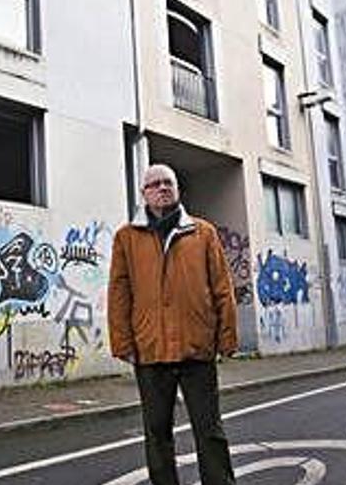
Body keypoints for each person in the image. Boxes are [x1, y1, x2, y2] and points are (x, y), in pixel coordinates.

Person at [108, 164, 238, 485]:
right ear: (144, 194)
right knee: (157, 434)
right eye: (154, 184)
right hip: (150, 351)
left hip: (198, 350)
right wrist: (123, 345)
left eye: (168, 183)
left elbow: (222, 287)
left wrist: (227, 338)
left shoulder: (202, 232)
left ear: (177, 190)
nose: (162, 188)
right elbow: (119, 293)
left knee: (209, 430)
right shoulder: (127, 237)